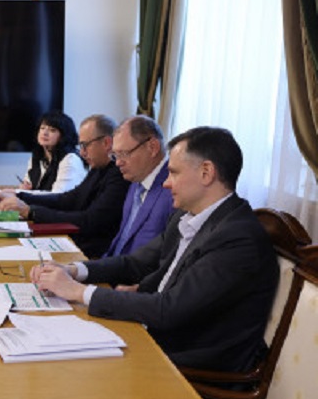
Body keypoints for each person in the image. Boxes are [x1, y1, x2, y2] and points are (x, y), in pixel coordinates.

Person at [30, 126, 278, 380]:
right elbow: (134, 263)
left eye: (174, 172)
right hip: (153, 335)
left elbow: (169, 309)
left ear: (206, 172)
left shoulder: (237, 238)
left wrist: (77, 291)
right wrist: (74, 270)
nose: (166, 182)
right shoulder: (186, 216)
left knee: (63, 373)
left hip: (188, 368)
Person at [0, 114, 130, 257]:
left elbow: (89, 220)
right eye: (81, 146)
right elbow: (68, 199)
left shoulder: (119, 174)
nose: (82, 152)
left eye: (85, 145)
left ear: (106, 143)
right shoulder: (98, 168)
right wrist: (20, 196)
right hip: (76, 243)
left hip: (91, 254)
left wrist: (31, 212)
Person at [102, 115, 175, 257]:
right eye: (115, 155)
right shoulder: (137, 179)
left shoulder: (173, 189)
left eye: (124, 153)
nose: (118, 163)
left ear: (152, 147)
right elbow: (122, 241)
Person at [19, 111, 87, 193]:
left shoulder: (70, 159)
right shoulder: (37, 157)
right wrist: (24, 189)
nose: (44, 133)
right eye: (42, 128)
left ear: (63, 136)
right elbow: (27, 184)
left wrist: (26, 194)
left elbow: (57, 196)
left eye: (52, 130)